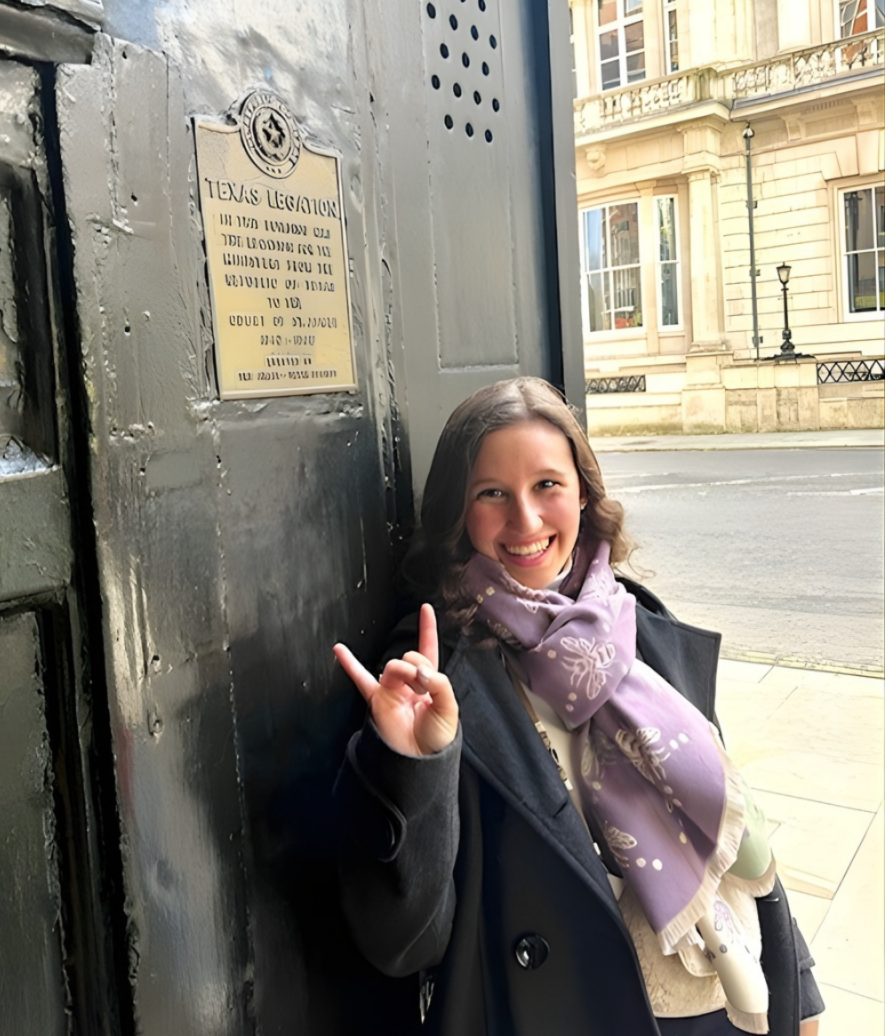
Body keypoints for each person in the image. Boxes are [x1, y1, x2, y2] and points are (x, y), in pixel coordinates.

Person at [334, 377, 823, 1036]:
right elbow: (403, 944)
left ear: (583, 493)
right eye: (492, 493)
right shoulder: (431, 678)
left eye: (547, 485)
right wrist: (415, 767)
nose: (526, 520)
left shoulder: (635, 620)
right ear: (458, 512)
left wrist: (799, 987)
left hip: (719, 996)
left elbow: (726, 815)